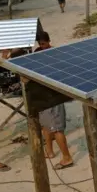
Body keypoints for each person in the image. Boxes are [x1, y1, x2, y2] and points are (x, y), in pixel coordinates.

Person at [35, 31, 74, 170]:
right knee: (45, 126)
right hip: (43, 97)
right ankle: (49, 151)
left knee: (57, 129)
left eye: (44, 43)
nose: (42, 46)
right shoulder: (37, 53)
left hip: (54, 98)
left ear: (49, 41)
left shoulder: (56, 55)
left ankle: (67, 157)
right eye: (40, 44)